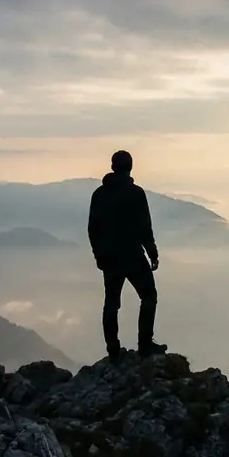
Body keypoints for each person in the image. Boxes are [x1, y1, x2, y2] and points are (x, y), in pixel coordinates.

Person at [88, 150, 168, 358]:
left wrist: (99, 255)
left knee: (112, 301)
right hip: (133, 255)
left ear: (113, 166)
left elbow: (93, 229)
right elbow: (144, 227)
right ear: (130, 167)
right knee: (149, 295)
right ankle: (144, 345)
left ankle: (113, 348)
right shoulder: (136, 193)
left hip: (109, 258)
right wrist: (153, 254)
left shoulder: (99, 195)